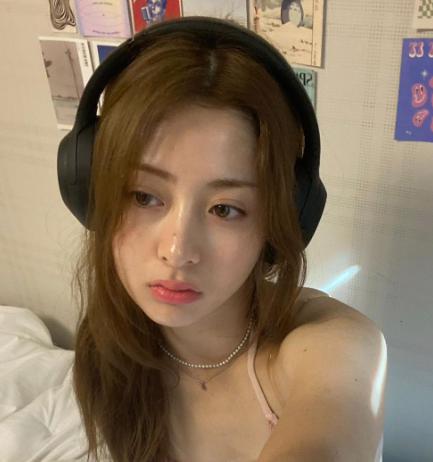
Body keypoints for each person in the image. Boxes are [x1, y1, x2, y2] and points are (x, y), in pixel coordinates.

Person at [67, 16, 333, 462]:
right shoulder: (105, 349)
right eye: (143, 196)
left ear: (282, 219)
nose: (177, 252)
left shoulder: (327, 346)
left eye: (224, 209)